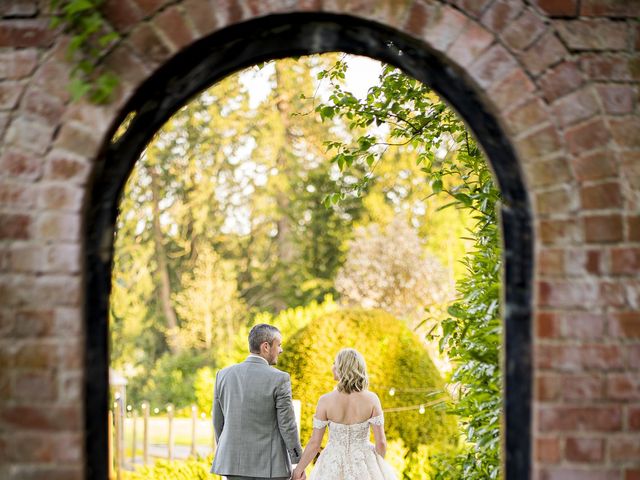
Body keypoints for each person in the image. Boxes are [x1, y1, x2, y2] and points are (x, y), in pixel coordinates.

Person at [211, 323, 305, 480]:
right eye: (279, 345)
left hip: (233, 464)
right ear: (266, 346)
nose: (281, 350)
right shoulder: (279, 378)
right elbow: (287, 425)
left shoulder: (223, 375)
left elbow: (218, 422)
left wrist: (228, 452)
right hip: (270, 467)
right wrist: (298, 462)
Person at [292, 348, 397, 480]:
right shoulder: (372, 399)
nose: (332, 367)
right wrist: (378, 468)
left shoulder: (325, 401)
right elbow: (381, 442)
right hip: (364, 463)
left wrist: (298, 470)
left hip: (332, 463)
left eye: (334, 363)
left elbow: (315, 444)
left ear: (341, 367)